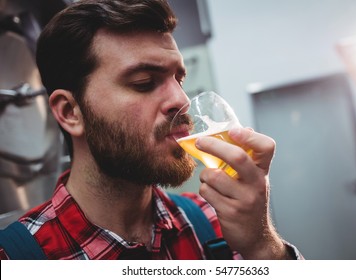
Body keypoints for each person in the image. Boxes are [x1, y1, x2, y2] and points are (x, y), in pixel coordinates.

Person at [0, 0, 302, 260]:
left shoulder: (210, 222)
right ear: (70, 112)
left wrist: (263, 248)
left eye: (179, 80)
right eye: (144, 82)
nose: (180, 101)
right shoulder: (15, 258)